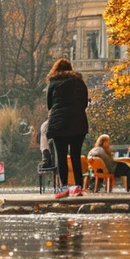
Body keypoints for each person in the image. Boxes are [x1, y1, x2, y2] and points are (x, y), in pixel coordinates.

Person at [45, 58, 89, 199]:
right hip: (78, 122)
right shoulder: (79, 82)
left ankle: (63, 187)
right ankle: (78, 187)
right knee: (76, 155)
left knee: (61, 156)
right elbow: (84, 102)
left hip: (59, 123)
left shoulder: (53, 83)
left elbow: (49, 104)